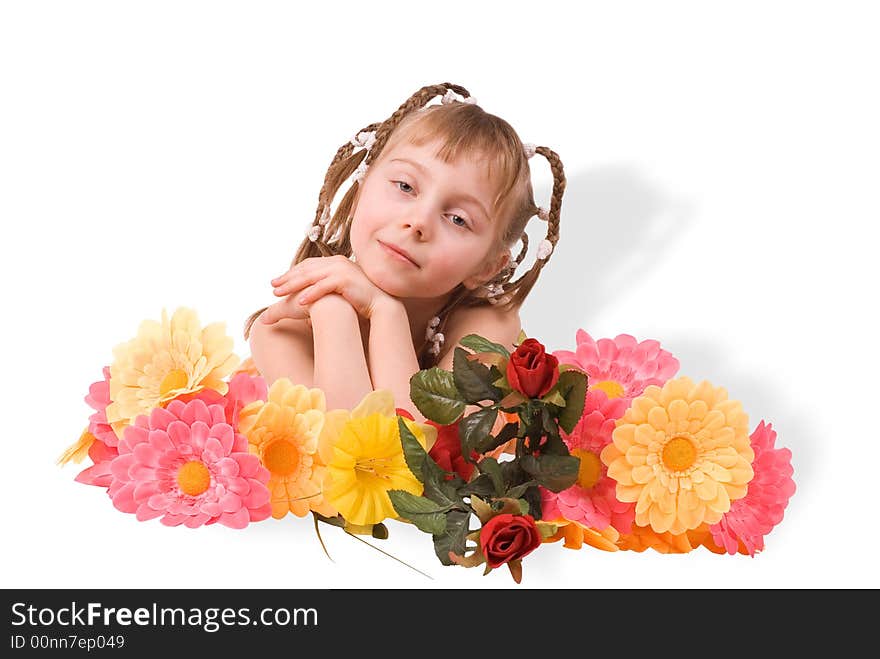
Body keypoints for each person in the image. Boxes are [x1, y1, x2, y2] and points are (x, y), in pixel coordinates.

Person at [243, 82, 566, 423]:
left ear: (487, 266)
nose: (418, 222)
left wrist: (385, 313)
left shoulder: (485, 326)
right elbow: (349, 449)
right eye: (406, 186)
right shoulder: (279, 330)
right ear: (361, 187)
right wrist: (332, 309)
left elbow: (421, 451)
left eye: (458, 219)